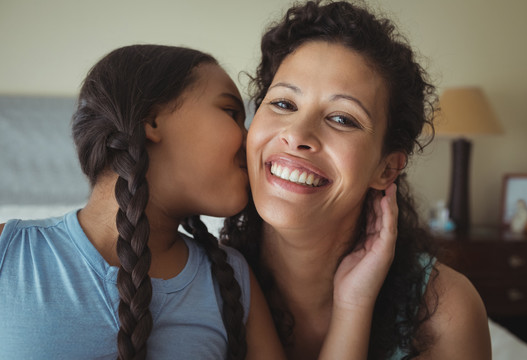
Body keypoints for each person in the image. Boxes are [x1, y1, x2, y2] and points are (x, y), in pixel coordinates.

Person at [221, 1, 492, 359]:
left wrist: (354, 303)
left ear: (386, 169)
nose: (298, 134)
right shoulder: (200, 285)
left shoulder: (446, 312)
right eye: (284, 104)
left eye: (342, 119)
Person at [0, 45, 285, 360]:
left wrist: (350, 306)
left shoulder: (233, 279)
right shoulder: (8, 252)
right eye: (231, 113)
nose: (251, 141)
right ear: (151, 119)